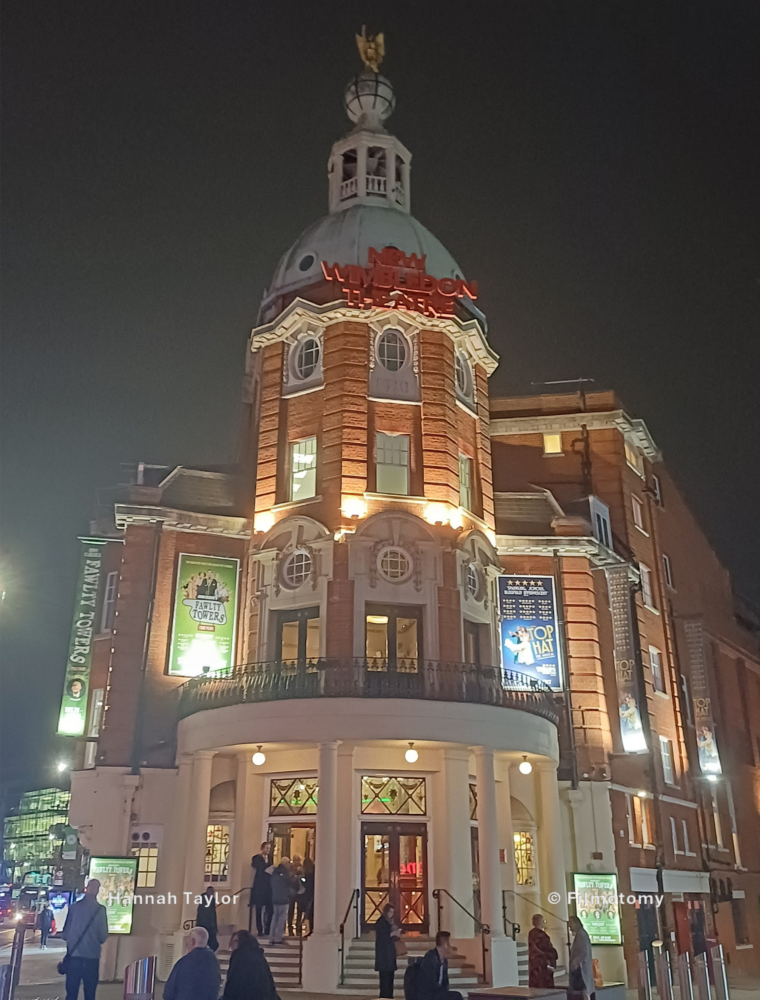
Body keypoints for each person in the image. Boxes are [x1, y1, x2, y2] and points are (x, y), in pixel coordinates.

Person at [61, 879, 109, 1000]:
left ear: (86, 888)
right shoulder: (100, 910)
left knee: (71, 994)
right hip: (92, 958)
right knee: (90, 993)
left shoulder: (73, 908)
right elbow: (103, 936)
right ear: (97, 891)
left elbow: (65, 934)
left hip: (74, 957)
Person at [163, 926, 220, 1000]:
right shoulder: (214, 964)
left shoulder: (183, 963)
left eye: (188, 941)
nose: (187, 944)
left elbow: (168, 993)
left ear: (193, 941)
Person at [222, 929, 279, 1000]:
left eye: (235, 941)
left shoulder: (240, 958)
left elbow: (233, 986)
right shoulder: (259, 957)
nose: (232, 946)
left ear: (243, 942)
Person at [419, 931, 462, 1000]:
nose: (452, 948)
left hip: (438, 993)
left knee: (455, 996)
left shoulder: (444, 960)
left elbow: (445, 982)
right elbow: (430, 983)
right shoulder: (430, 958)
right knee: (456, 996)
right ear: (445, 944)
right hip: (428, 994)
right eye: (450, 944)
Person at [268, 858, 296, 945]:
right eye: (288, 863)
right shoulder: (286, 873)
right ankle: (278, 938)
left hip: (275, 898)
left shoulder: (274, 872)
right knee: (281, 919)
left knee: (274, 918)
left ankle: (271, 937)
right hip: (283, 899)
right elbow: (291, 882)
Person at [374, 903, 401, 998]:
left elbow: (392, 938)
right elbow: (382, 937)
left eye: (393, 912)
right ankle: (384, 997)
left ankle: (389, 997)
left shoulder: (391, 922)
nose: (391, 914)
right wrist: (392, 933)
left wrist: (396, 935)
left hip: (390, 954)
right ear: (386, 911)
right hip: (383, 955)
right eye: (390, 912)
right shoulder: (381, 922)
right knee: (384, 981)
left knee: (390, 979)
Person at [528, 914, 558, 988]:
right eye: (542, 921)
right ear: (540, 922)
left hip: (534, 963)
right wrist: (553, 955)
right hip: (542, 963)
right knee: (543, 983)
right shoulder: (541, 935)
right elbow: (547, 949)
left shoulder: (531, 933)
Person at [569, 915, 595, 1000]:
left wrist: (575, 962)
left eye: (571, 924)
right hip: (581, 969)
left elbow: (584, 952)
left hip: (582, 970)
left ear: (576, 923)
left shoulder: (581, 935)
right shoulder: (580, 934)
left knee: (584, 992)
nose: (569, 927)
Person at [250, 842, 273, 936]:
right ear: (262, 848)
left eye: (269, 848)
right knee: (258, 910)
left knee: (269, 910)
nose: (268, 850)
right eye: (267, 848)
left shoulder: (270, 859)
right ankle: (260, 930)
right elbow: (256, 866)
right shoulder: (257, 858)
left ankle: (267, 929)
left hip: (268, 887)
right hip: (259, 887)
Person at [195, 885, 219, 952]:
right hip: (207, 926)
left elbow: (213, 914)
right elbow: (210, 914)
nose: (213, 893)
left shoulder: (207, 900)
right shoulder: (206, 900)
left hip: (207, 926)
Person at [298, 857, 315, 936]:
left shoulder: (308, 873)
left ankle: (309, 929)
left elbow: (306, 883)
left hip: (308, 894)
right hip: (313, 894)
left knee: (308, 912)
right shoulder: (314, 871)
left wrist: (302, 879)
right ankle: (312, 929)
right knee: (311, 913)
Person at [287, 855, 303, 936]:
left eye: (298, 860)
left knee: (299, 910)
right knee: (291, 910)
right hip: (292, 892)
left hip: (300, 892)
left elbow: (304, 879)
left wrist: (300, 875)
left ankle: (298, 926)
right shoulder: (290, 869)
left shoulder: (302, 868)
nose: (297, 862)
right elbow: (289, 880)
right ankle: (290, 927)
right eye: (296, 860)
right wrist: (295, 875)